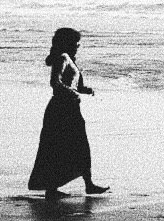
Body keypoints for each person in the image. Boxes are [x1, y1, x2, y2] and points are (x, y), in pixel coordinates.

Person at [29, 28, 109, 200]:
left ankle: (84, 185)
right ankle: (57, 188)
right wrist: (72, 93)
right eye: (75, 43)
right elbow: (55, 83)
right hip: (61, 109)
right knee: (61, 147)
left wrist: (84, 90)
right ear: (67, 43)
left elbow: (73, 84)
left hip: (70, 108)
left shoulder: (69, 59)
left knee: (71, 146)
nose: (78, 46)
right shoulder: (62, 58)